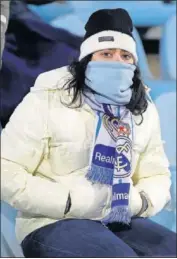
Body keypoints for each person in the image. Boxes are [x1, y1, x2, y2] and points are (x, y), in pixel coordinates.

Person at [1, 8, 176, 258]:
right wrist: (71, 201)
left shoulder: (141, 106)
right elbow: (6, 171)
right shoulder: (49, 97)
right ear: (88, 58)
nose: (116, 62)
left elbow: (156, 174)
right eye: (106, 53)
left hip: (119, 217)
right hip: (51, 222)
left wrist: (140, 201)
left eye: (125, 55)